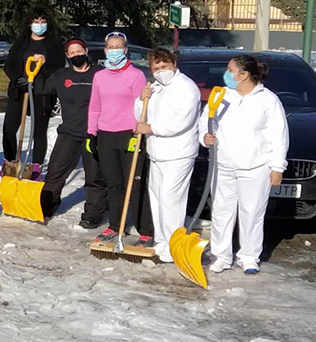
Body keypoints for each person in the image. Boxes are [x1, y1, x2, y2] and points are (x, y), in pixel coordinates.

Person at [202, 55, 288, 274]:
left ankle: (249, 256)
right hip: (223, 164)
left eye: (230, 70)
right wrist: (205, 137)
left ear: (243, 75)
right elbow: (205, 122)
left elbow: (279, 134)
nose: (226, 73)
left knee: (252, 212)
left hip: (255, 166)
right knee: (222, 211)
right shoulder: (221, 96)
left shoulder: (267, 99)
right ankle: (221, 255)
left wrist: (277, 166)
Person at [133, 48, 200, 263]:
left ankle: (173, 244)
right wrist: (141, 100)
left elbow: (182, 122)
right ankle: (161, 240)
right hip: (157, 153)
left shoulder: (186, 88)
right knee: (158, 198)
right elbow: (140, 115)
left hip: (178, 153)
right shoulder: (155, 87)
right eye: (156, 68)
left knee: (172, 200)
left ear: (173, 64)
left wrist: (151, 128)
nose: (161, 71)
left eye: (165, 66)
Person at [87, 31, 153, 246]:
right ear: (106, 50)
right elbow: (95, 107)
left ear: (125, 50)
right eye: (111, 47)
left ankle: (145, 230)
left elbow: (140, 107)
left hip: (129, 135)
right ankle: (116, 225)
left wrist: (137, 134)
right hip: (106, 135)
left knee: (134, 183)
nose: (114, 51)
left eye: (119, 47)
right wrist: (92, 133)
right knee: (113, 184)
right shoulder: (99, 76)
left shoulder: (135, 75)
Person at [36, 39, 107, 228]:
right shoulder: (61, 76)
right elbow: (41, 88)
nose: (76, 55)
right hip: (69, 133)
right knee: (55, 172)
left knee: (95, 176)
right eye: (72, 53)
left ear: (86, 50)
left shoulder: (99, 74)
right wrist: (38, 71)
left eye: (79, 51)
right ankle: (47, 205)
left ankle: (93, 213)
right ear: (67, 56)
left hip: (95, 133)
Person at [1, 8, 65, 180]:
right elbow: (9, 65)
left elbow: (59, 66)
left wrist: (44, 65)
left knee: (38, 131)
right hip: (19, 91)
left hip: (41, 93)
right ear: (29, 24)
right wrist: (17, 79)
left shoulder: (53, 43)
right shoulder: (22, 42)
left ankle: (36, 166)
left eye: (42, 21)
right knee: (9, 129)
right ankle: (9, 164)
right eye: (35, 21)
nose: (39, 25)